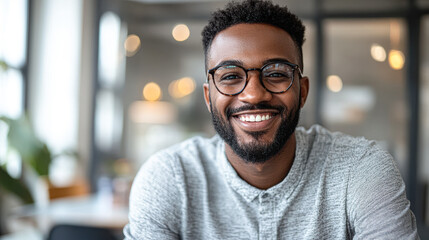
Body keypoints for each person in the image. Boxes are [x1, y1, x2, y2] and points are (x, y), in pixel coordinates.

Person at [124, 0, 419, 239]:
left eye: (276, 74)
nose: (253, 94)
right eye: (230, 76)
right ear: (208, 96)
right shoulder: (170, 177)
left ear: (302, 91)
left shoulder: (360, 169)